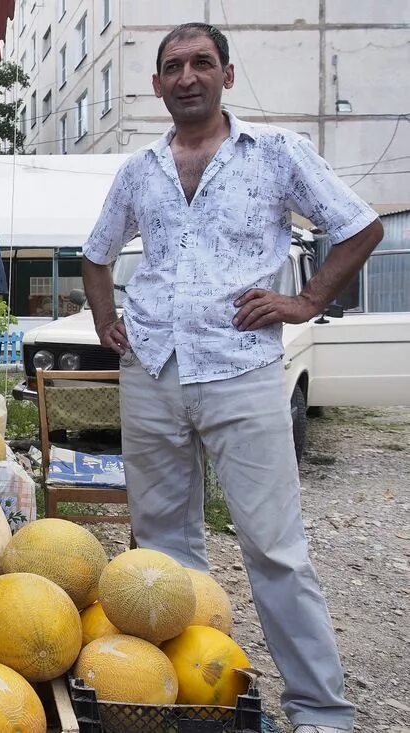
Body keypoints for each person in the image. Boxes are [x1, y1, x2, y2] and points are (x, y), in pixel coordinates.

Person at [81, 22, 383, 733]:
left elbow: (360, 226)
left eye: (201, 63)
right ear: (156, 85)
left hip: (241, 369)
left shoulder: (276, 152)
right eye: (173, 66)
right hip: (152, 368)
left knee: (274, 548)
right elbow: (96, 254)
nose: (187, 76)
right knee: (160, 552)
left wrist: (307, 301)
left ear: (227, 75)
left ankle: (321, 711)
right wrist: (105, 320)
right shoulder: (138, 170)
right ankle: (183, 696)